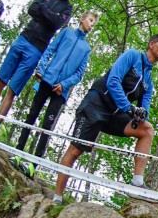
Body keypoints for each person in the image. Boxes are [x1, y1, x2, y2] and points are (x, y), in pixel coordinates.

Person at [52, 34, 158, 205]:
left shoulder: (149, 81)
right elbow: (113, 81)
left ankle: (137, 183)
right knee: (76, 150)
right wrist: (128, 108)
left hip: (116, 114)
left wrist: (141, 114)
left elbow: (145, 107)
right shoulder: (132, 56)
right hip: (96, 105)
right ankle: (56, 198)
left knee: (147, 129)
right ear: (151, 44)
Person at [14, 12, 98, 167]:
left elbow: (79, 74)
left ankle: (34, 164)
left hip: (61, 91)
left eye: (94, 24)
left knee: (47, 125)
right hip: (47, 80)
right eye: (90, 20)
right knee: (32, 115)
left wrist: (64, 85)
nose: (91, 25)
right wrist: (41, 69)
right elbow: (50, 50)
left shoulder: (86, 48)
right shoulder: (66, 32)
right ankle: (18, 152)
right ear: (82, 18)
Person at [0, 0, 79, 128]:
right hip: (23, 39)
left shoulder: (67, 8)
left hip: (36, 49)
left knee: (12, 92)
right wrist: (47, 13)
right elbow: (31, 9)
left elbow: (56, 23)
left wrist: (43, 10)